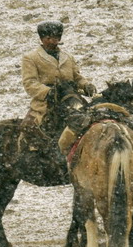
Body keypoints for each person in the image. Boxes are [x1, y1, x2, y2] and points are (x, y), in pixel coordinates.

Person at [19, 20, 96, 152]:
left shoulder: (68, 57)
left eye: (55, 38)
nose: (52, 41)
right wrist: (48, 92)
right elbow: (30, 82)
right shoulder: (30, 58)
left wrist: (86, 85)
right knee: (28, 127)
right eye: (48, 38)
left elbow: (77, 77)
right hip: (46, 102)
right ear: (41, 38)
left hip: (70, 98)